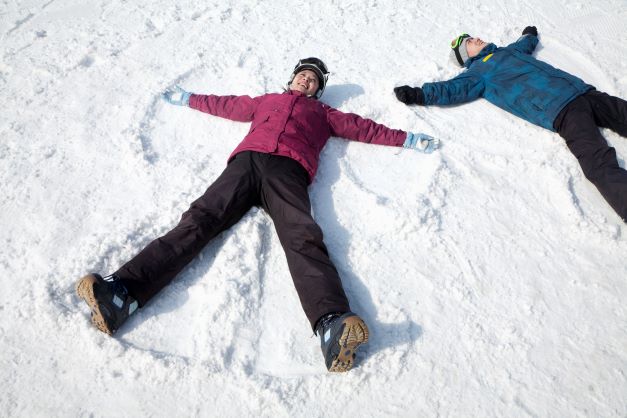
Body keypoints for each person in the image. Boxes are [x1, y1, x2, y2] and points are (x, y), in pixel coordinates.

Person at [76, 57, 440, 372]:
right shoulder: (267, 100)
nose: (307, 80)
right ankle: (120, 295)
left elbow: (364, 128)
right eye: (303, 74)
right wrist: (189, 98)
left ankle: (332, 326)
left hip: (288, 171)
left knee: (302, 236)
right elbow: (228, 104)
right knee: (199, 220)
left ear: (319, 89)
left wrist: (406, 139)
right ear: (293, 77)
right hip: (245, 164)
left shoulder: (324, 113)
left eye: (314, 79)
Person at [394, 27, 627, 222]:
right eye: (468, 43)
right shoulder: (477, 73)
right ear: (465, 56)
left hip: (584, 92)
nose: (474, 39)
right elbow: (450, 90)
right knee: (597, 162)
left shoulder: (508, 51)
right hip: (560, 109)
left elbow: (524, 45)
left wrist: (529, 36)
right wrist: (418, 94)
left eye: (472, 37)